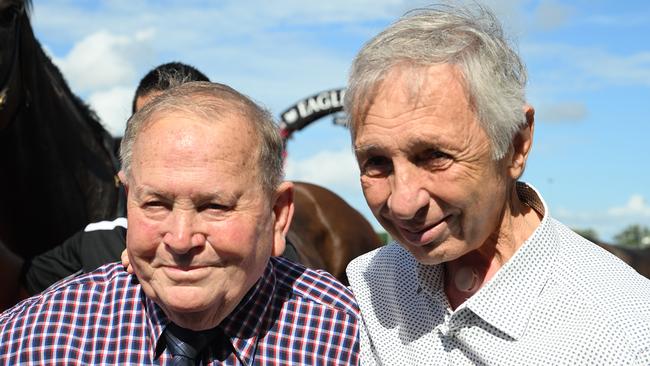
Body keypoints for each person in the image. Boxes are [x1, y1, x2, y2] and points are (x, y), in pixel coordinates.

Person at [344, 4, 650, 365]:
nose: (402, 203)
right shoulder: (368, 282)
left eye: (434, 155)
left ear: (516, 145)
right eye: (377, 162)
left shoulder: (625, 330)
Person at [1, 81, 360, 364]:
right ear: (128, 200)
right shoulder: (30, 341)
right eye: (156, 204)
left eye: (215, 206)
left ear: (278, 214)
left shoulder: (356, 344)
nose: (181, 239)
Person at [16, 62, 210, 297]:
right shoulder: (97, 240)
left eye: (184, 130)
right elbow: (17, 286)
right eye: (148, 128)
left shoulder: (252, 236)